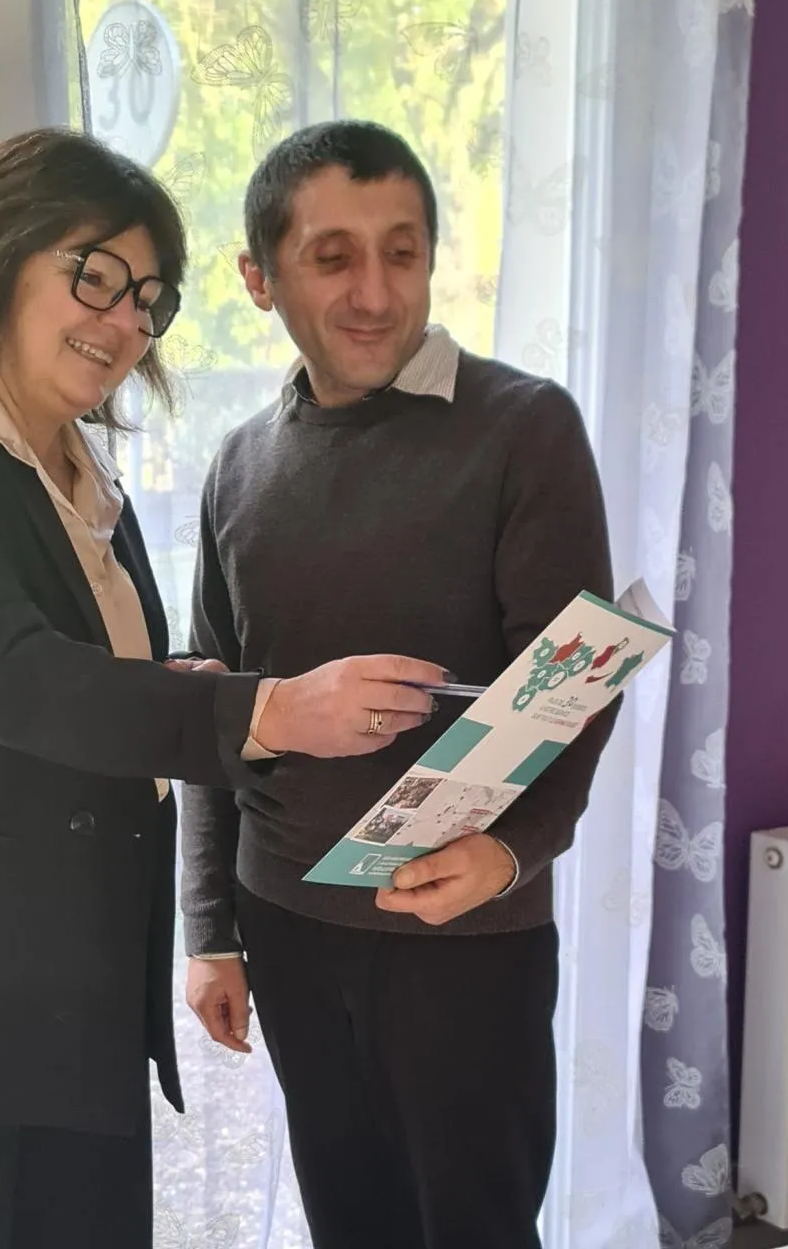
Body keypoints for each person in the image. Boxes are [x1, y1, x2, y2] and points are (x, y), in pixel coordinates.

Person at [0, 127, 447, 1249]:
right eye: (95, 274)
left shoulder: (85, 473)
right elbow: (1, 672)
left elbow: (87, 682)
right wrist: (271, 709)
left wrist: (170, 684)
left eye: (149, 297)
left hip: (72, 988)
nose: (127, 319)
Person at [181, 120, 619, 1249]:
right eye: (332, 258)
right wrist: (209, 927)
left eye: (403, 252)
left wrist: (512, 852)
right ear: (259, 278)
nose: (375, 292)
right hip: (285, 920)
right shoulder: (238, 462)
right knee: (349, 1222)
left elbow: (574, 684)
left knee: (477, 1227)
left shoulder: (524, 427)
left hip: (465, 931)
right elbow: (212, 713)